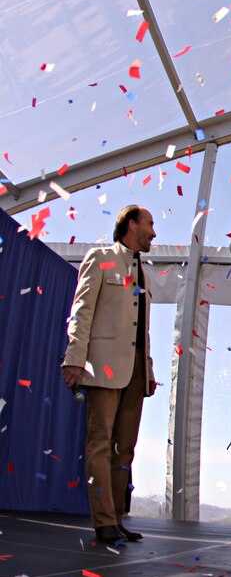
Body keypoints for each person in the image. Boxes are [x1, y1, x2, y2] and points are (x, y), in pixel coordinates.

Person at [62, 205, 157, 545]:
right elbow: (81, 310)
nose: (153, 232)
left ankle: (117, 517)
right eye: (149, 225)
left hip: (135, 370)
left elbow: (140, 326)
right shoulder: (100, 257)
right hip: (101, 367)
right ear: (131, 225)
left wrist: (148, 370)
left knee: (125, 447)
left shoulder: (143, 271)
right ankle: (103, 521)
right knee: (100, 442)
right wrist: (75, 358)